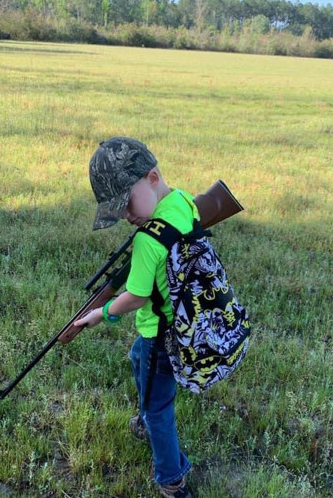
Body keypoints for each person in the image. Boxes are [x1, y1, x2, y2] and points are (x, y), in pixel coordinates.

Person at [74, 137, 193, 498]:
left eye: (126, 203)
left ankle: (172, 479)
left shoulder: (146, 241)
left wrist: (101, 313)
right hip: (182, 324)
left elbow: (135, 296)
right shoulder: (183, 202)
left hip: (160, 334)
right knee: (137, 357)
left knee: (159, 409)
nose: (126, 215)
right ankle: (144, 420)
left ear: (152, 177)